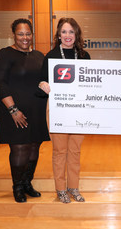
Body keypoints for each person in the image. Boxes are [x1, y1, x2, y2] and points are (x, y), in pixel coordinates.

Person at [0, 18, 49, 203]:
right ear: (14, 35)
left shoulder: (39, 56)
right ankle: (17, 187)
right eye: (20, 34)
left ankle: (26, 183)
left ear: (32, 35)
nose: (25, 37)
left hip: (36, 110)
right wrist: (13, 109)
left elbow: (45, 80)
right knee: (20, 148)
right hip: (14, 111)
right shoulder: (6, 54)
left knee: (34, 148)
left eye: (28, 34)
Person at [38, 18, 90, 203]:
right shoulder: (50, 56)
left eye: (71, 32)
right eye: (64, 32)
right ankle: (60, 189)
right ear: (59, 35)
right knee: (60, 151)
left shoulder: (84, 56)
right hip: (57, 110)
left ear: (76, 35)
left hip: (78, 111)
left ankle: (73, 187)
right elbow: (41, 83)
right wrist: (42, 84)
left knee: (75, 151)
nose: (68, 36)